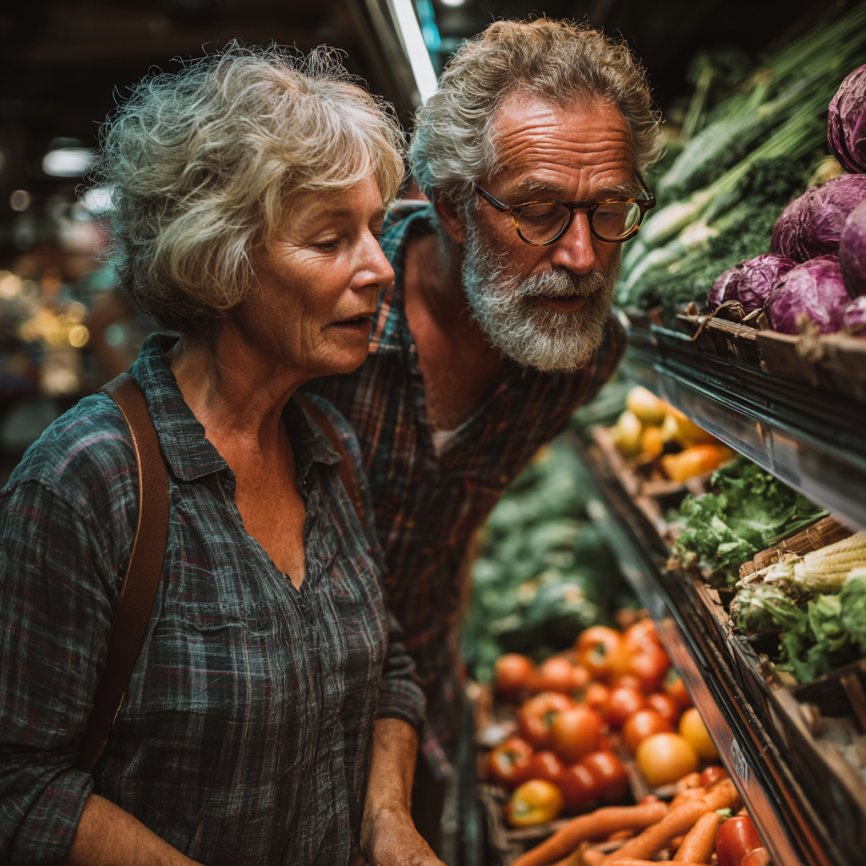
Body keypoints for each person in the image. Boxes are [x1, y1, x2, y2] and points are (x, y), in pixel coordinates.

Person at [0, 46, 439, 866]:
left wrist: (387, 816)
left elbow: (390, 670)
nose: (380, 268)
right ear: (221, 258)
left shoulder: (328, 451)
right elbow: (16, 786)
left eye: (375, 230)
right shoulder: (88, 481)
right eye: (329, 239)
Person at [306, 18, 661, 845]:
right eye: (538, 211)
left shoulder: (580, 359)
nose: (580, 255)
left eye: (609, 211)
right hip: (268, 730)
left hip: (421, 714)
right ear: (455, 206)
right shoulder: (322, 317)